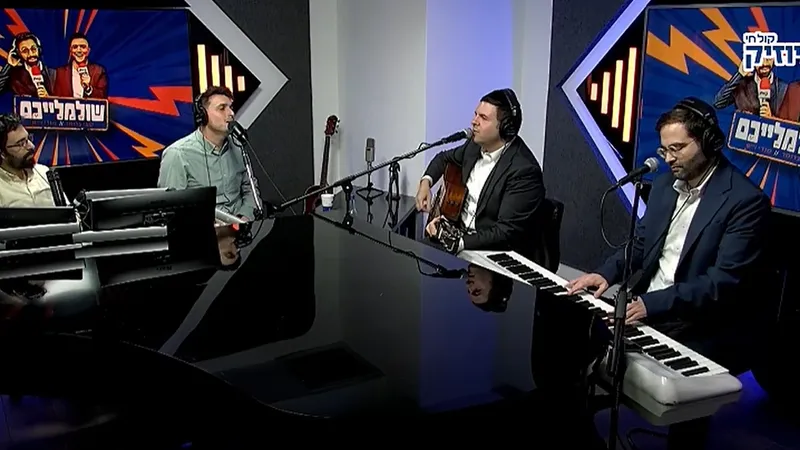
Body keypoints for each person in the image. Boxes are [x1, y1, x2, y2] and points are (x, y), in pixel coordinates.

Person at [566, 97, 771, 449]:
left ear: (708, 142)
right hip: (651, 307)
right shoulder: (663, 186)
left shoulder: (745, 201)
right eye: (664, 150)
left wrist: (652, 305)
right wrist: (607, 274)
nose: (669, 158)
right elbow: (641, 243)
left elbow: (721, 283)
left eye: (678, 148)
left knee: (686, 409)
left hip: (701, 320)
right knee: (571, 334)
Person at [416, 88, 546, 260]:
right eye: (475, 114)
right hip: (458, 239)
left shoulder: (524, 171)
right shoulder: (473, 146)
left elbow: (505, 232)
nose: (474, 122)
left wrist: (458, 241)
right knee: (414, 257)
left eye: (483, 118)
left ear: (506, 128)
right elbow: (443, 158)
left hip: (492, 252)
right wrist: (426, 183)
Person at [157, 86, 256, 221]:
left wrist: (245, 217)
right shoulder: (178, 154)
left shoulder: (238, 146)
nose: (231, 113)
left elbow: (250, 189)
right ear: (203, 115)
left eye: (231, 107)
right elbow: (171, 209)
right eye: (222, 108)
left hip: (241, 226)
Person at [0, 113, 54, 208]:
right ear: (2, 153)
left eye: (28, 139)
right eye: (21, 144)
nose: (31, 146)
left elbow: (71, 213)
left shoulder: (45, 173)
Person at [52, 32, 108, 99]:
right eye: (75, 47)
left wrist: (88, 88)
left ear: (88, 51)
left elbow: (102, 97)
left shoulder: (98, 71)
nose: (79, 50)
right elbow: (56, 97)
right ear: (70, 51)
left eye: (83, 47)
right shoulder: (60, 72)